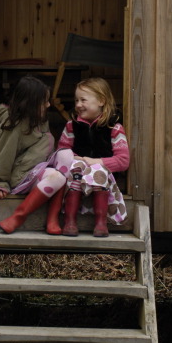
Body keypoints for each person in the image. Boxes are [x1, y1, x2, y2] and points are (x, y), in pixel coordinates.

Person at [0, 76, 67, 234]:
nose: (48, 104)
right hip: (22, 174)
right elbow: (4, 153)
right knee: (59, 177)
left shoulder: (39, 118)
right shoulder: (14, 125)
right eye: (44, 101)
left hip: (38, 168)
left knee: (66, 160)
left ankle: (52, 220)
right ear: (30, 103)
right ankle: (19, 216)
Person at [56, 77, 129, 237]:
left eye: (83, 100)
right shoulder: (71, 125)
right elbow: (62, 151)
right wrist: (76, 159)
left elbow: (123, 161)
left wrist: (98, 162)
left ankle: (101, 223)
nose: (78, 105)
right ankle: (70, 221)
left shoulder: (114, 127)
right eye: (76, 100)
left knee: (98, 170)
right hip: (77, 172)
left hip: (103, 177)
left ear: (101, 101)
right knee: (76, 167)